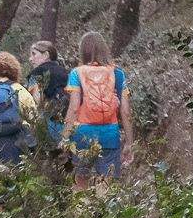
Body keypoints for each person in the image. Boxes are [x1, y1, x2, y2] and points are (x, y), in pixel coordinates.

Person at [63, 29, 131, 184]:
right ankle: (103, 206)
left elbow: (74, 108)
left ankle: (82, 208)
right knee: (106, 182)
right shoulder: (117, 73)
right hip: (110, 134)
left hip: (82, 133)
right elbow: (126, 112)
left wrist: (65, 138)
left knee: (81, 182)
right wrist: (129, 142)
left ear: (82, 51)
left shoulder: (76, 73)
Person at [26, 39, 68, 150]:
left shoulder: (36, 73)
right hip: (68, 123)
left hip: (47, 123)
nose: (30, 59)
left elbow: (36, 101)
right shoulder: (64, 72)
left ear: (46, 55)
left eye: (34, 54)